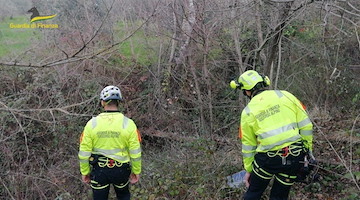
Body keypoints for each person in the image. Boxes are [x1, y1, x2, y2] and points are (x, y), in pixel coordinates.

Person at [230, 69, 314, 200]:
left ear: (246, 91)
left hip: (268, 160)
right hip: (294, 156)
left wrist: (249, 169)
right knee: (279, 197)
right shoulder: (286, 96)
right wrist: (307, 152)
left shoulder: (248, 112)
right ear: (265, 82)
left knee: (253, 193)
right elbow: (306, 126)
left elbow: (248, 146)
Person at [78, 85, 142, 200]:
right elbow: (135, 152)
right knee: (123, 196)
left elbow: (84, 153)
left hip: (99, 170)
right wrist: (136, 171)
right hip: (121, 170)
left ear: (103, 102)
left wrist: (85, 171)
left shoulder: (92, 124)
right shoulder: (129, 124)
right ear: (119, 102)